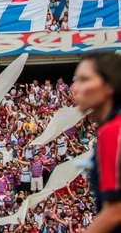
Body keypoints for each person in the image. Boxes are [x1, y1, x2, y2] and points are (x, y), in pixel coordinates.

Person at [71, 52, 121, 232]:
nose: (75, 88)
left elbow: (115, 210)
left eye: (84, 80)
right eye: (75, 80)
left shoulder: (113, 131)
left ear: (109, 86)